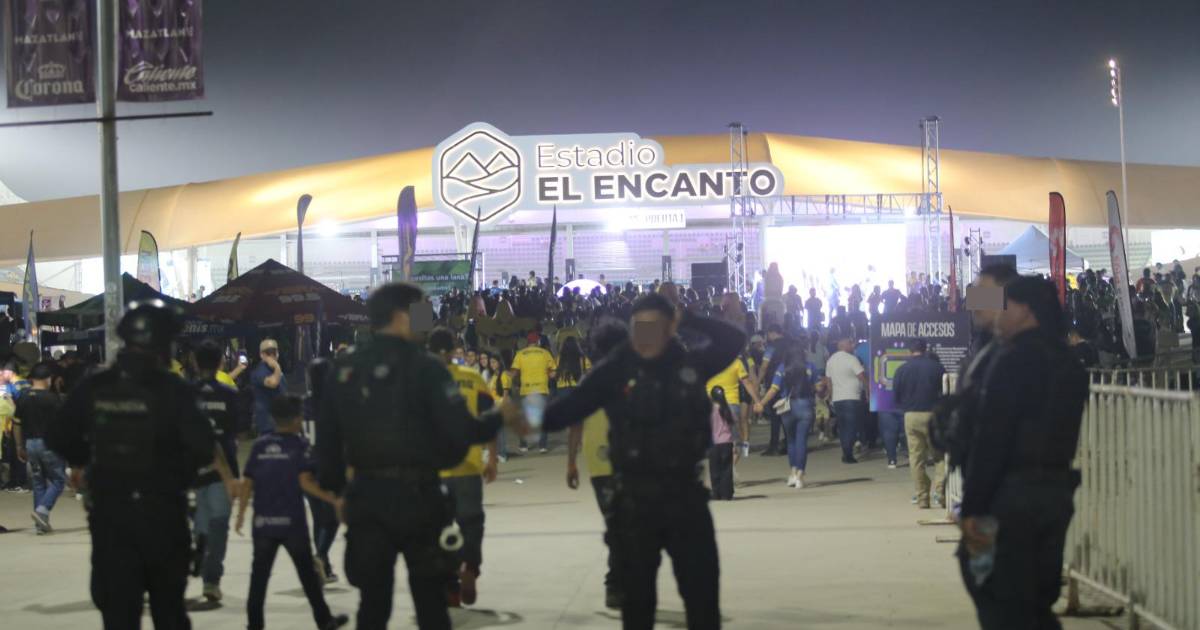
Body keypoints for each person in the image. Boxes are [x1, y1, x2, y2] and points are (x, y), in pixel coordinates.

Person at [316, 282, 527, 630]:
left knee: (372, 606)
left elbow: (326, 441)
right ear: (402, 316)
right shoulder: (427, 368)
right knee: (431, 603)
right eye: (422, 312)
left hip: (367, 498)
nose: (426, 320)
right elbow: (463, 430)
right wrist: (498, 417)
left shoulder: (343, 369)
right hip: (420, 498)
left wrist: (338, 493)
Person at [543, 293, 745, 630]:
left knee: (703, 604)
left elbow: (733, 340)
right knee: (637, 609)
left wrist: (691, 319)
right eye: (640, 328)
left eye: (656, 327)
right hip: (635, 502)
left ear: (669, 329)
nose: (647, 336)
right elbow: (561, 413)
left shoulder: (690, 365)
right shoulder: (615, 371)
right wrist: (512, 415)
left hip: (685, 498)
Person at [48, 300, 215, 629]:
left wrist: (88, 461)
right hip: (163, 515)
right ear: (164, 343)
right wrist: (175, 476)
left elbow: (57, 434)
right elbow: (203, 447)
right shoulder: (173, 389)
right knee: (169, 613)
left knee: (119, 615)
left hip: (111, 515)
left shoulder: (96, 385)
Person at [957, 276, 1088, 629]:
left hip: (1007, 498)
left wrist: (972, 507)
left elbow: (992, 438)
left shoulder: (1012, 361)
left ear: (1026, 310)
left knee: (990, 585)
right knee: (1036, 600)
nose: (999, 315)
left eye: (1005, 307)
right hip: (1056, 493)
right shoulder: (1070, 363)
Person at [235, 395, 348, 630]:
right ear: (297, 419)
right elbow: (305, 482)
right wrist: (332, 499)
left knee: (259, 579)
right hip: (292, 524)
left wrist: (240, 515)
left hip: (264, 524)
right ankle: (324, 621)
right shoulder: (300, 446)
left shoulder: (260, 445)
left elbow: (247, 483)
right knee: (308, 577)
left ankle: (255, 625)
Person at [427, 327, 499, 608]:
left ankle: (450, 588)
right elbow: (489, 418)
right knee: (472, 522)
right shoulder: (472, 377)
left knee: (440, 529)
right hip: (468, 464)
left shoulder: (422, 381)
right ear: (454, 348)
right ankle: (470, 565)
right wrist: (492, 458)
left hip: (433, 471)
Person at [564, 318, 627, 610]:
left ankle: (617, 583)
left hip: (599, 463)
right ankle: (617, 581)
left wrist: (571, 461)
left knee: (617, 524)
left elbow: (575, 424)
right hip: (630, 462)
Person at [190, 341, 242, 602]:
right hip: (224, 469)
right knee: (219, 524)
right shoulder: (230, 394)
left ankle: (199, 550)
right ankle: (211, 580)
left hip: (191, 468)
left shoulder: (185, 393)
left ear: (194, 362)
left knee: (200, 520)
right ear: (221, 362)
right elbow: (238, 430)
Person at [892, 339, 947, 508]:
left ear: (910, 351)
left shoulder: (902, 370)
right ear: (925, 349)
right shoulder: (937, 368)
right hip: (934, 416)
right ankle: (940, 493)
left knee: (916, 458)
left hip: (911, 416)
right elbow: (945, 392)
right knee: (940, 456)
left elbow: (896, 396)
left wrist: (907, 406)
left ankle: (922, 497)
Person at [12, 362, 65, 534]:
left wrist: (19, 445)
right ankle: (43, 511)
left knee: (38, 482)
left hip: (30, 444)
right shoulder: (52, 398)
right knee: (58, 480)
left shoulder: (22, 397)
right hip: (49, 444)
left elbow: (16, 424)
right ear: (47, 379)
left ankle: (40, 525)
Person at [756, 342, 817, 488]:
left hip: (787, 407)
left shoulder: (782, 368)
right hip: (805, 405)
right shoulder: (810, 367)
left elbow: (773, 389)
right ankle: (800, 476)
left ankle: (793, 472)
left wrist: (761, 403)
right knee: (802, 441)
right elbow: (817, 387)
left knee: (791, 441)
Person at [512, 331, 557, 453]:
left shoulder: (520, 354)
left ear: (527, 342)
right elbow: (553, 373)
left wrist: (515, 384)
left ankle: (523, 445)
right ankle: (542, 446)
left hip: (526, 389)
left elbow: (514, 373)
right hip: (542, 388)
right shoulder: (545, 353)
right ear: (538, 341)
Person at [826, 336, 867, 464]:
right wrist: (868, 389)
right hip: (852, 397)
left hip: (838, 399)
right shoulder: (852, 359)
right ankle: (848, 454)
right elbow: (861, 376)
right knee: (851, 427)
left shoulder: (831, 360)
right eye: (850, 344)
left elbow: (829, 381)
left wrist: (831, 396)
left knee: (843, 427)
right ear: (844, 346)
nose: (852, 346)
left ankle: (846, 452)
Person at [250, 339, 286, 435]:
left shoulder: (275, 370)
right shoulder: (260, 371)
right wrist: (277, 366)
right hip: (267, 423)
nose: (272, 355)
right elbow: (273, 383)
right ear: (261, 355)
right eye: (268, 352)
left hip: (279, 420)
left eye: (274, 352)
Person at [708, 386, 737, 500]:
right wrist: (735, 443)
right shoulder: (727, 409)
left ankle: (716, 493)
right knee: (727, 469)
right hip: (727, 442)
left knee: (715, 469)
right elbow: (733, 424)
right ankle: (727, 493)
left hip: (714, 444)